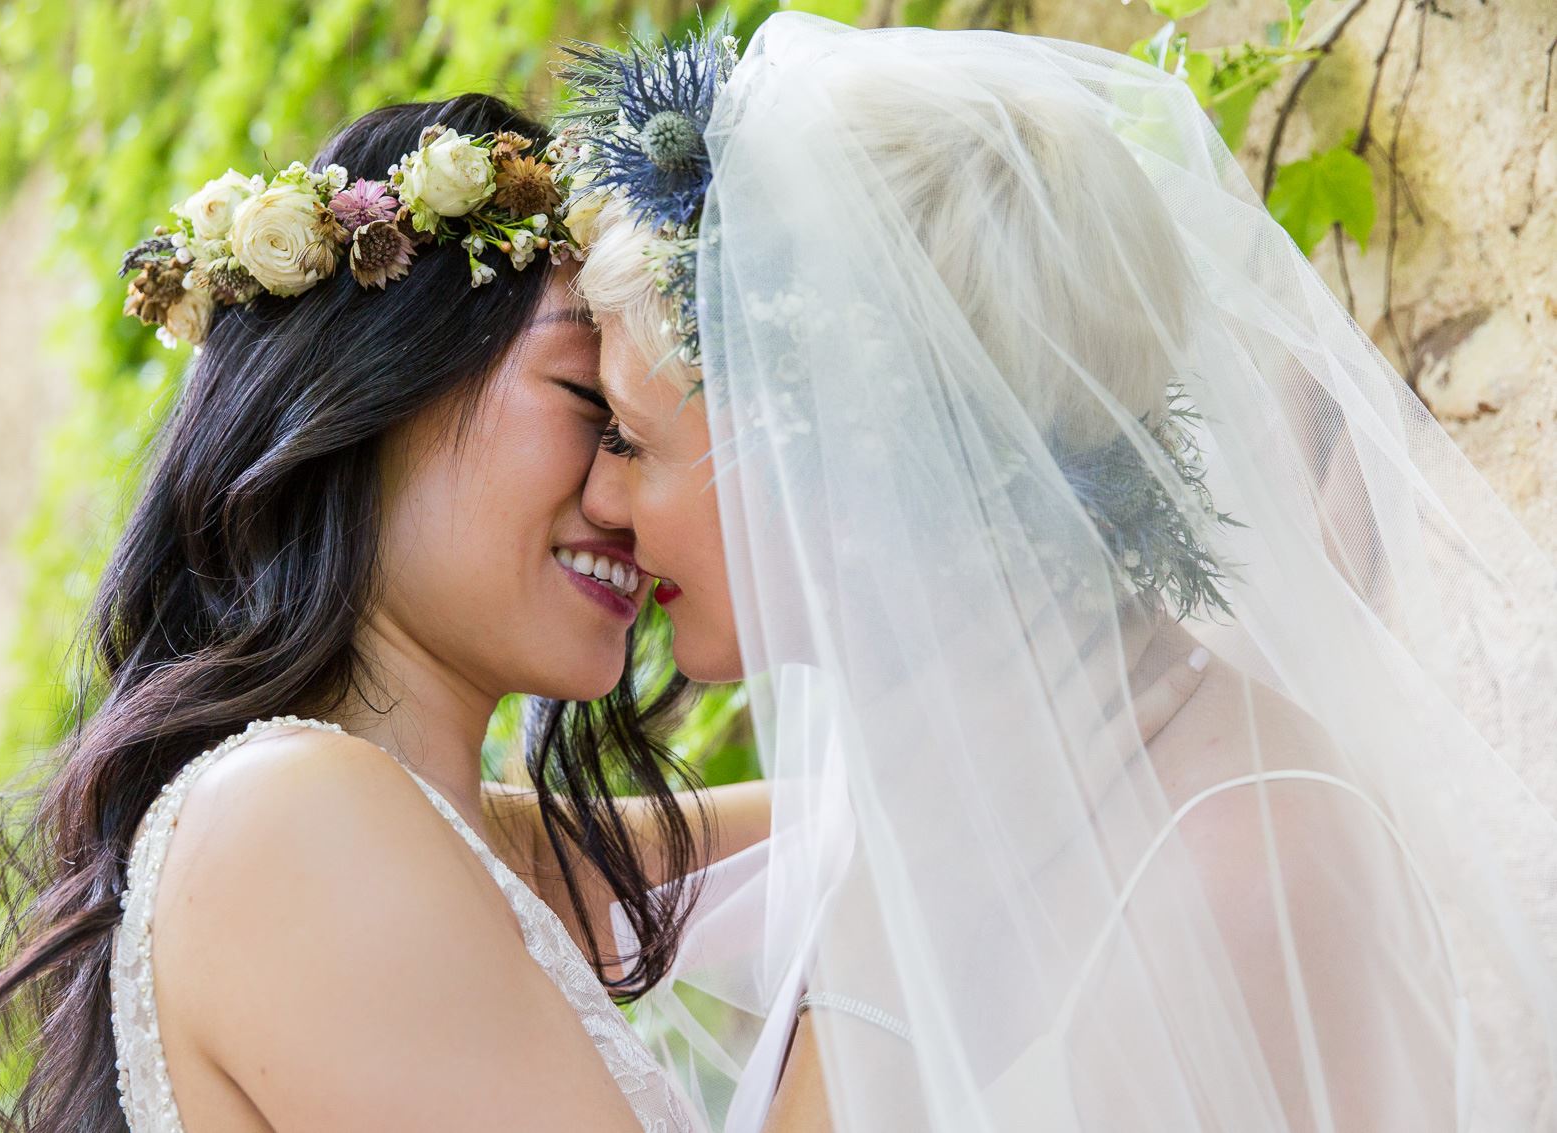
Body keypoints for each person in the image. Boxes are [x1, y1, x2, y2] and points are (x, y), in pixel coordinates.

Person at [569, 14, 1557, 1131]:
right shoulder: (960, 766)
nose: (600, 498)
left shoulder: (1236, 874)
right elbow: (512, 853)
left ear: (825, 456)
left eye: (631, 441)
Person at [0, 95, 779, 1133]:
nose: (625, 495)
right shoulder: (294, 820)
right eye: (590, 405)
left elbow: (870, 822)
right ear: (378, 382)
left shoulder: (457, 840)